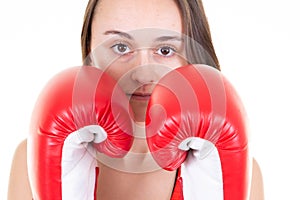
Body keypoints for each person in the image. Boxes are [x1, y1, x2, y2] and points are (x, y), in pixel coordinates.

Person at [8, 0, 264, 199]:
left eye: (165, 50)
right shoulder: (31, 160)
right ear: (89, 51)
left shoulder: (240, 171)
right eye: (120, 46)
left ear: (193, 57)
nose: (142, 73)